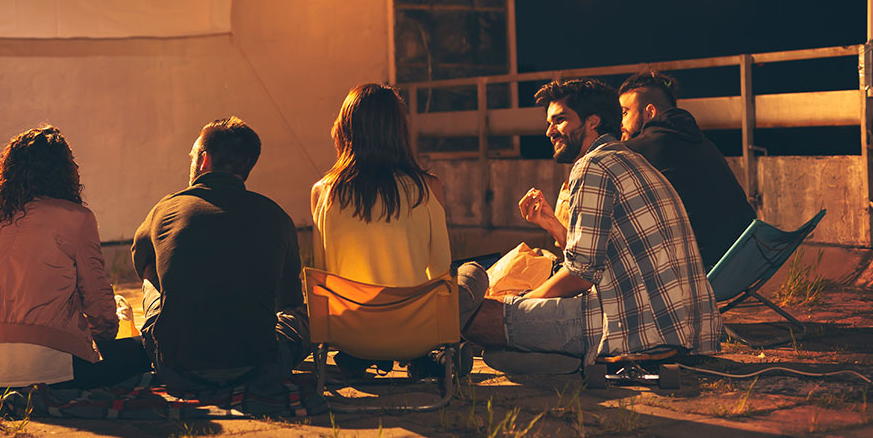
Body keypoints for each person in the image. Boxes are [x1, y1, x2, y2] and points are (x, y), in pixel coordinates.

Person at [465, 79, 721, 364]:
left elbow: (580, 275)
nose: (549, 131)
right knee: (510, 320)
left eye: (559, 120)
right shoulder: (629, 159)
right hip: (681, 328)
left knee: (475, 316)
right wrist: (552, 225)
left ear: (592, 122)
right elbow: (600, 258)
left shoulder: (592, 167)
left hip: (635, 329)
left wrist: (522, 302)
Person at [310, 84, 488, 376]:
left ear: (345, 128)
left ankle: (364, 357)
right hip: (415, 335)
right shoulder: (427, 187)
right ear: (399, 131)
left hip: (349, 335)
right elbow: (440, 275)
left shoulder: (322, 193)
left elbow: (324, 274)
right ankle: (430, 358)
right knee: (473, 272)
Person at [131, 117, 309, 391]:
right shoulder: (276, 215)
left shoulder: (165, 209)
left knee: (150, 271)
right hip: (261, 369)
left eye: (193, 155)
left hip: (175, 369)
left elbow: (139, 259)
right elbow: (290, 300)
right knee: (298, 316)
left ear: (204, 160)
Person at [0, 125, 150, 388]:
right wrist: (110, 337)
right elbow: (98, 302)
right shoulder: (76, 218)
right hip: (56, 371)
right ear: (67, 171)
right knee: (140, 349)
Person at [619, 71, 757, 270]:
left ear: (649, 112)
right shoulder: (704, 143)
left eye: (624, 113)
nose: (621, 123)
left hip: (702, 268)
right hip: (748, 257)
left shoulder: (638, 150)